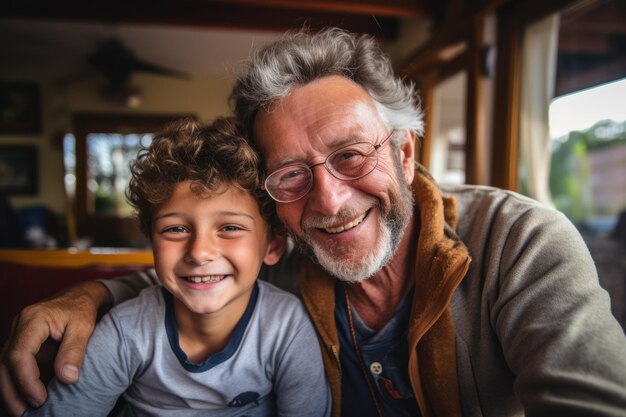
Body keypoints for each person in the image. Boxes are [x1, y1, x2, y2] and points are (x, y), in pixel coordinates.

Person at [3, 28, 626, 417]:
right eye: (292, 173)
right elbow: (199, 277)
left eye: (352, 155)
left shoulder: (520, 242)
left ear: (405, 153)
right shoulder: (290, 251)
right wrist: (88, 294)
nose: (327, 200)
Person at [21, 117, 331, 417]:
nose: (199, 252)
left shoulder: (287, 329)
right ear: (151, 242)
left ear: (272, 246)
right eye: (175, 229)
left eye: (230, 228)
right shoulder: (126, 331)